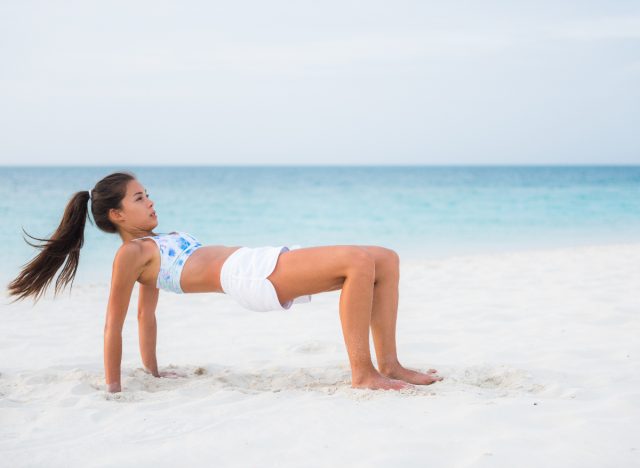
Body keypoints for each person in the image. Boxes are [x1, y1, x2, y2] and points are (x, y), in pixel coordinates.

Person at [7, 171, 443, 393]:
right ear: (117, 215)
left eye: (147, 193)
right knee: (357, 261)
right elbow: (119, 322)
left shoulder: (154, 242)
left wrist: (154, 371)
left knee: (385, 259)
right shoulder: (131, 254)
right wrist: (114, 387)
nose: (150, 200)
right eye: (139, 198)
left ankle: (390, 364)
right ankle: (363, 373)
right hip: (246, 276)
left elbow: (149, 319)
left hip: (256, 260)